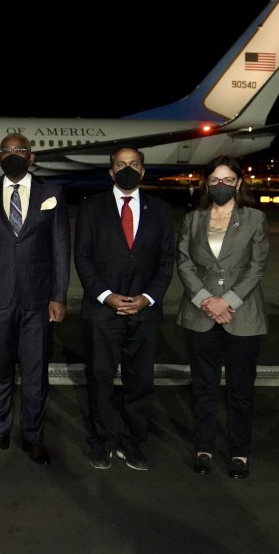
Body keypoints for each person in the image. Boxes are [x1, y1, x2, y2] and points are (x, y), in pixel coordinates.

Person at [0, 133, 70, 466]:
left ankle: (33, 437)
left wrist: (58, 295)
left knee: (35, 372)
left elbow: (59, 249)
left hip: (38, 300)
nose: (13, 155)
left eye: (19, 150)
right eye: (7, 151)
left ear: (32, 156)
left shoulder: (51, 194)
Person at [74, 146, 175, 471]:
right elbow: (83, 258)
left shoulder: (160, 209)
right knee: (100, 381)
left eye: (134, 164)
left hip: (145, 312)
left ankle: (132, 443)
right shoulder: (92, 208)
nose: (127, 168)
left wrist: (148, 297)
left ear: (143, 171)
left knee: (140, 382)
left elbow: (165, 260)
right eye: (121, 164)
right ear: (111, 172)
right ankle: (102, 442)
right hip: (103, 311)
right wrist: (106, 295)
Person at [177, 155, 268, 479]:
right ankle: (204, 446)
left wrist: (226, 301)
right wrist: (205, 300)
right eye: (215, 179)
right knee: (203, 386)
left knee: (241, 389)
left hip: (242, 314)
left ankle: (239, 451)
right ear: (206, 183)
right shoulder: (193, 218)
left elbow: (257, 266)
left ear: (239, 183)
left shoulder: (255, 218)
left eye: (228, 179)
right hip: (200, 314)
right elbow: (185, 262)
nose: (221, 185)